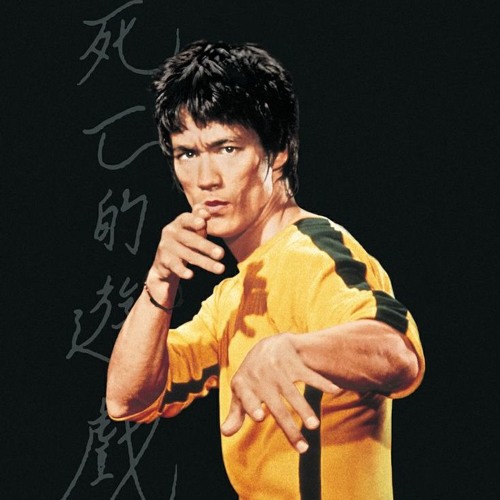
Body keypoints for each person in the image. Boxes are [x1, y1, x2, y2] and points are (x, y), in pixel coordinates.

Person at [106, 40, 425, 499]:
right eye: (187, 154)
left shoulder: (311, 253)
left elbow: (397, 353)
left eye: (227, 148)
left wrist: (293, 350)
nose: (206, 179)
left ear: (277, 151)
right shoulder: (234, 293)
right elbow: (126, 399)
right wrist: (159, 283)